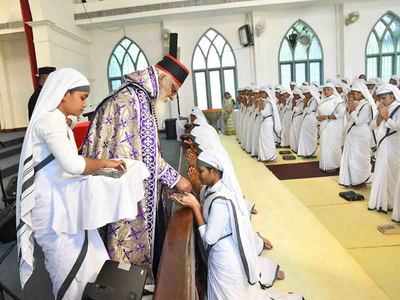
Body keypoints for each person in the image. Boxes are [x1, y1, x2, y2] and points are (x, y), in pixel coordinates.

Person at [16, 68, 150, 299]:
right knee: (66, 268)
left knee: (93, 260)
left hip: (65, 204)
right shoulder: (49, 122)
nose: (84, 104)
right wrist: (106, 163)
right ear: (63, 94)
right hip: (51, 211)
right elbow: (74, 165)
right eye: (82, 98)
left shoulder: (57, 120)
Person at [82, 55, 192, 278]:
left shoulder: (138, 97)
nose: (171, 97)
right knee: (127, 246)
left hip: (122, 182)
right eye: (173, 90)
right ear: (163, 78)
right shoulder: (134, 101)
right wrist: (177, 179)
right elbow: (147, 159)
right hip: (124, 188)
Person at [175, 150, 303, 300]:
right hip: (220, 254)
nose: (198, 174)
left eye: (201, 171)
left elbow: (209, 239)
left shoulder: (220, 202)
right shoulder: (213, 189)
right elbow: (203, 195)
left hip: (224, 257)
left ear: (214, 171)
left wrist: (195, 207)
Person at [368, 84, 400, 215]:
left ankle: (391, 203)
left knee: (391, 173)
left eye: (384, 97)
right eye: (380, 98)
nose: (382, 100)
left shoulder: (398, 108)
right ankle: (380, 202)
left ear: (393, 96)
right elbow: (372, 126)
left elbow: (397, 127)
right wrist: (380, 117)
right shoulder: (382, 108)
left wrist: (386, 117)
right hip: (382, 146)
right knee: (380, 172)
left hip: (393, 146)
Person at [338, 81, 375, 187]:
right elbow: (350, 119)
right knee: (351, 158)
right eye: (352, 93)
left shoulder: (366, 105)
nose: (353, 95)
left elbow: (359, 122)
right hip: (352, 135)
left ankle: (360, 178)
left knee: (359, 158)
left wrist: (352, 110)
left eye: (355, 93)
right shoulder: (356, 104)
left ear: (361, 93)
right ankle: (350, 179)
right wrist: (349, 110)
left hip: (361, 136)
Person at [317, 83, 346, 172]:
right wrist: (319, 118)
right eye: (325, 89)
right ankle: (324, 165)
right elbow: (318, 113)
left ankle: (334, 165)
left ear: (333, 90)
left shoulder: (337, 100)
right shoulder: (323, 100)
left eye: (328, 89)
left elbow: (340, 114)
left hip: (333, 126)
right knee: (324, 145)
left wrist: (326, 117)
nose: (326, 91)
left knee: (332, 145)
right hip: (323, 125)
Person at [258, 88, 281, 162]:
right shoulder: (265, 101)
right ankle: (264, 156)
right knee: (264, 139)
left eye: (263, 93)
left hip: (268, 122)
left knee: (268, 140)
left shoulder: (268, 103)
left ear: (267, 93)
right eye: (261, 93)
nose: (261, 94)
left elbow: (264, 113)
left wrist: (260, 106)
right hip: (265, 122)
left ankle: (270, 156)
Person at [297, 86, 319, 158]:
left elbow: (309, 110)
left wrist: (305, 105)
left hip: (312, 119)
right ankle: (305, 152)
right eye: (304, 94)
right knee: (304, 135)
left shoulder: (314, 100)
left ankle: (311, 152)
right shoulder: (307, 100)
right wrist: (305, 105)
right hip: (306, 119)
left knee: (311, 136)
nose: (305, 95)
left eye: (307, 94)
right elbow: (304, 110)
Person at [289, 88, 304, 153]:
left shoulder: (302, 101)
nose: (294, 96)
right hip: (295, 119)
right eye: (294, 95)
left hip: (299, 119)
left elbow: (299, 110)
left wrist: (294, 105)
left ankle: (298, 148)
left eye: (296, 95)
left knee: (297, 134)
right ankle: (294, 148)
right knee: (293, 134)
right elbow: (293, 109)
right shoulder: (295, 101)